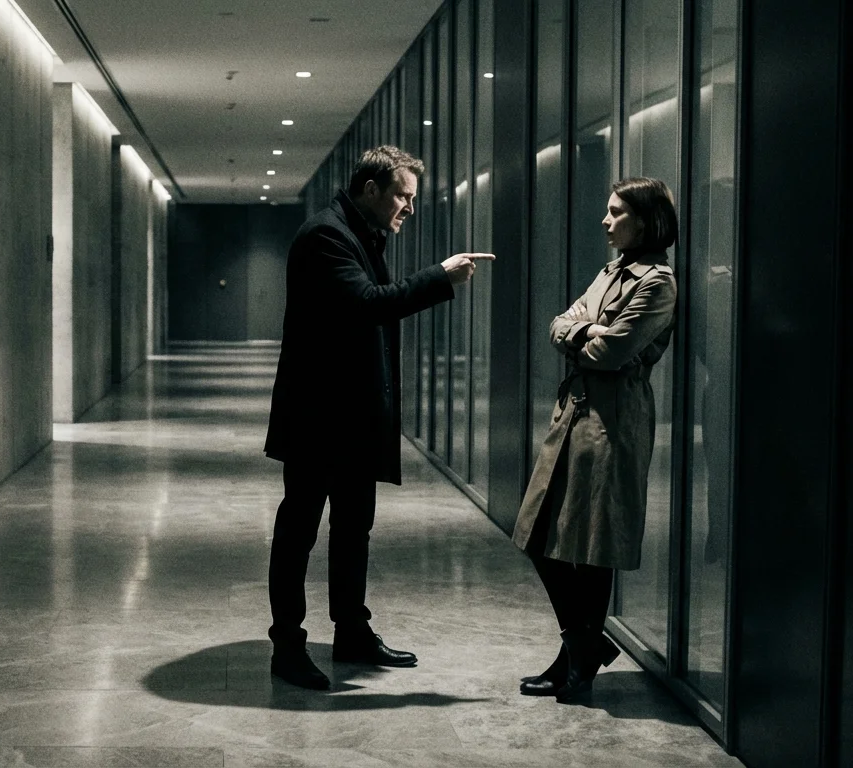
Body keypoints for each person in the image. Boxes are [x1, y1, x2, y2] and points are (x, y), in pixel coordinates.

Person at [263, 145, 494, 690]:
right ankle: (288, 646)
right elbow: (367, 303)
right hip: (319, 417)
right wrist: (439, 277)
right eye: (402, 196)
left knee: (352, 529)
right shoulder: (327, 236)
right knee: (299, 530)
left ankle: (351, 632)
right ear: (371, 189)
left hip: (349, 417)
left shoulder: (359, 233)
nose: (409, 208)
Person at [511, 177, 679, 702]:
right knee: (542, 536)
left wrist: (581, 334)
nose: (605, 222)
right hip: (576, 414)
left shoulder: (657, 283)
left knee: (593, 544)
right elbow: (560, 322)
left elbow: (612, 353)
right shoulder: (611, 271)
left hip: (614, 419)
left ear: (644, 219)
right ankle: (585, 645)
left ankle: (576, 662)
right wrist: (582, 332)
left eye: (615, 213)